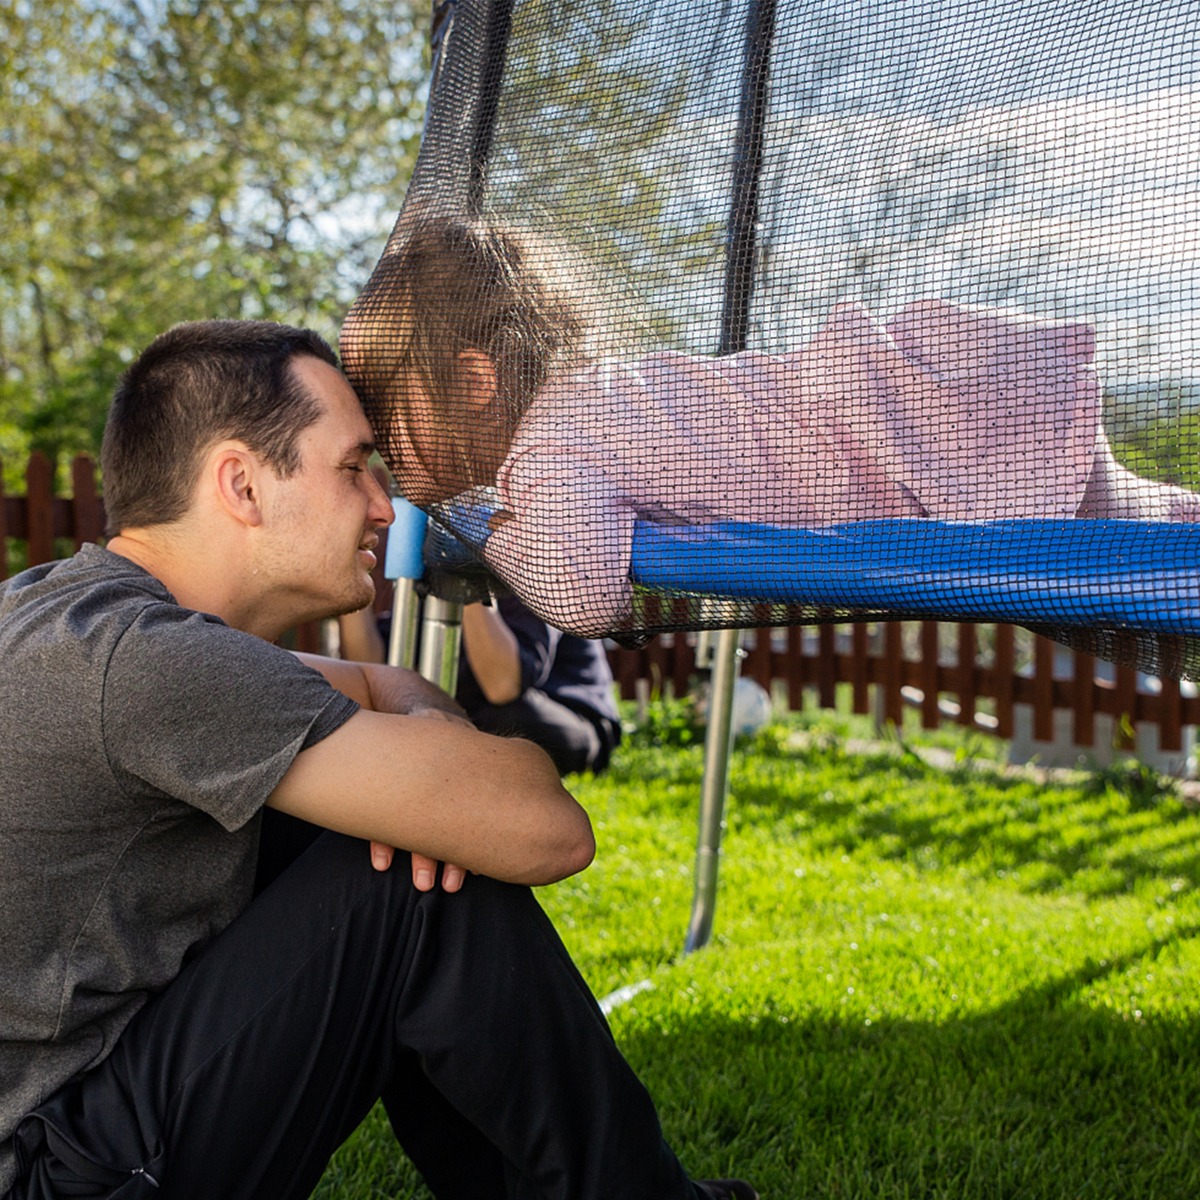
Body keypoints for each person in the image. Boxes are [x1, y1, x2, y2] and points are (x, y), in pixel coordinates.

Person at [0, 320, 758, 1200]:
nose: (385, 507)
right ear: (241, 483)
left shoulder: (65, 611)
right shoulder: (151, 663)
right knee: (407, 886)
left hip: (66, 1133)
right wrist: (434, 798)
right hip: (49, 1172)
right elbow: (547, 830)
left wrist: (420, 776)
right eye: (353, 466)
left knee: (383, 846)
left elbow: (378, 680)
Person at [339, 215, 1200, 638]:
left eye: (387, 408)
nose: (379, 435)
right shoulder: (595, 396)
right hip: (910, 406)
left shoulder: (551, 451)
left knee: (1129, 535)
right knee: (1143, 517)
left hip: (918, 443)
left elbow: (585, 597)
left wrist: (497, 538)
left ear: (475, 383)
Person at [339, 593, 622, 775]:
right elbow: (377, 671)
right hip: (481, 715)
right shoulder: (420, 580)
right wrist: (352, 589)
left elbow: (502, 686)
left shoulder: (537, 574)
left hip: (570, 721)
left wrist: (467, 583)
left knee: (500, 717)